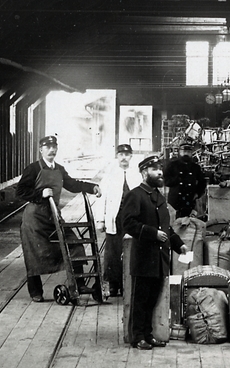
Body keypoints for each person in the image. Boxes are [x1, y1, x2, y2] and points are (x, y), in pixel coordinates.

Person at [16, 134, 101, 302]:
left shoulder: (59, 169)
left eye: (54, 147)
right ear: (41, 150)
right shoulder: (33, 169)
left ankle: (79, 284)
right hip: (34, 219)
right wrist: (40, 193)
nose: (51, 150)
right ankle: (35, 292)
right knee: (33, 254)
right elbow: (20, 191)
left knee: (74, 244)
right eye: (47, 147)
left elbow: (72, 184)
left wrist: (92, 187)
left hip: (54, 217)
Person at [118, 154, 189, 350]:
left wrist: (178, 244)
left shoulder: (159, 197)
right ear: (144, 173)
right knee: (140, 301)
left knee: (151, 300)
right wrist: (152, 234)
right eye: (155, 169)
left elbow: (166, 228)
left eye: (160, 169)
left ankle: (147, 335)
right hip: (144, 257)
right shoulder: (135, 195)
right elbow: (128, 223)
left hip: (159, 259)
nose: (160, 173)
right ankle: (137, 337)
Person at [94, 143, 140, 298]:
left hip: (132, 219)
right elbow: (101, 199)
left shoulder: (137, 175)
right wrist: (100, 220)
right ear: (117, 156)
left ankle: (128, 284)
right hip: (115, 218)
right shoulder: (110, 175)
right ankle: (114, 285)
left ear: (131, 156)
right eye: (121, 155)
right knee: (113, 252)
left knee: (131, 249)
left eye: (127, 155)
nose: (124, 158)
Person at [164, 142, 208, 219]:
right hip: (175, 201)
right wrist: (177, 179)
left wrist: (197, 193)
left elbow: (202, 182)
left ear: (191, 153)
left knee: (190, 222)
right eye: (184, 151)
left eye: (188, 152)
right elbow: (165, 180)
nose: (186, 154)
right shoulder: (172, 165)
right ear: (179, 152)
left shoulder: (195, 167)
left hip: (190, 200)